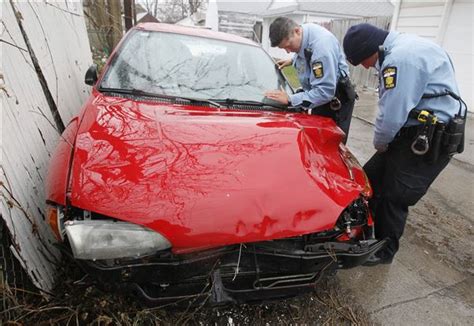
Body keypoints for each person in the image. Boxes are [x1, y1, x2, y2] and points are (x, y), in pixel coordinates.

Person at [343, 23, 466, 265]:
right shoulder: (410, 45)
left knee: (395, 196)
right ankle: (365, 233)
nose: (366, 68)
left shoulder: (400, 59)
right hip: (413, 131)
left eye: (363, 62)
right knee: (369, 179)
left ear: (371, 50)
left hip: (428, 139)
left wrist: (381, 143)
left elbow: (391, 114)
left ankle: (384, 252)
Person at [264, 17, 356, 143]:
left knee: (328, 146)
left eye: (289, 46)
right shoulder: (304, 32)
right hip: (319, 97)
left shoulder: (321, 49)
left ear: (297, 31)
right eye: (283, 48)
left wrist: (290, 99)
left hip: (335, 102)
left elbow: (325, 92)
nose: (288, 51)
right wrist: (293, 60)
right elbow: (306, 52)